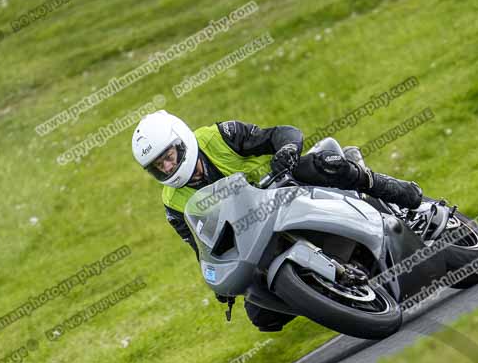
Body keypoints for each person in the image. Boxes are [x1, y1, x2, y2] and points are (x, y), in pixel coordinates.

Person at [131, 110, 422, 332]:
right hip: (253, 234)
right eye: (158, 166)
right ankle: (329, 292)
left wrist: (286, 151)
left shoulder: (218, 136)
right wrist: (219, 278)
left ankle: (386, 190)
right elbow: (199, 246)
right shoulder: (172, 202)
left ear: (182, 141)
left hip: (285, 188)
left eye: (168, 157)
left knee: (323, 164)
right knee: (261, 316)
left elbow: (282, 133)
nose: (167, 167)